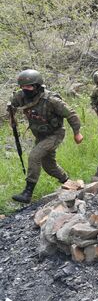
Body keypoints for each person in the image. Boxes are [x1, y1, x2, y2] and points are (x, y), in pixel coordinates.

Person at [8, 69, 83, 203]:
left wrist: (77, 133)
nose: (26, 89)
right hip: (40, 135)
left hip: (55, 134)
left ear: (37, 86)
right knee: (49, 165)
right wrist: (12, 116)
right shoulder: (21, 96)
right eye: (23, 87)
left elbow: (71, 114)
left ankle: (27, 193)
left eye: (29, 86)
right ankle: (69, 182)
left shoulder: (51, 100)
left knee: (34, 156)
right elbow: (12, 104)